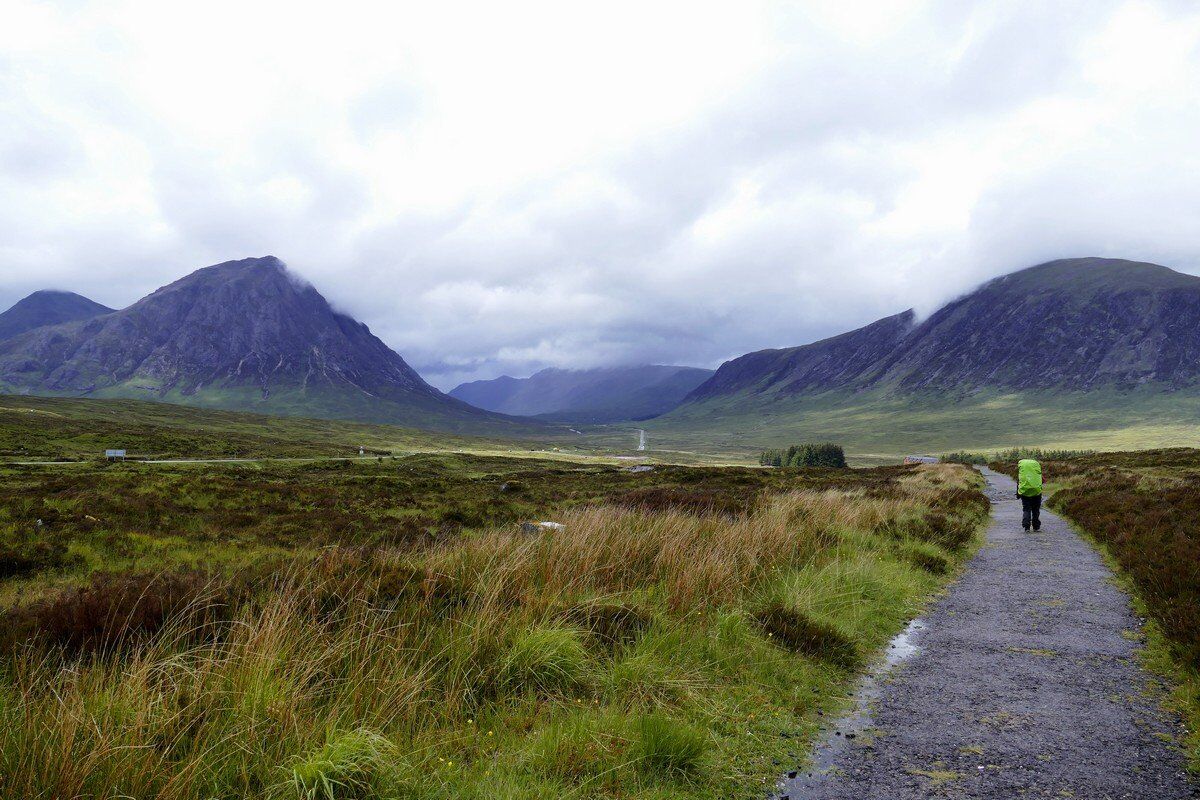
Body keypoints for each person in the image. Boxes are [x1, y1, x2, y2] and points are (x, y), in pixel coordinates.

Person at [1017, 457, 1043, 532]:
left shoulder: (1022, 474)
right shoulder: (1036, 473)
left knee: (1026, 509)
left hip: (1025, 493)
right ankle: (1036, 527)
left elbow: (1018, 483)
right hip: (1036, 493)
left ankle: (1026, 527)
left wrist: (1018, 493)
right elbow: (1043, 481)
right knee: (1036, 510)